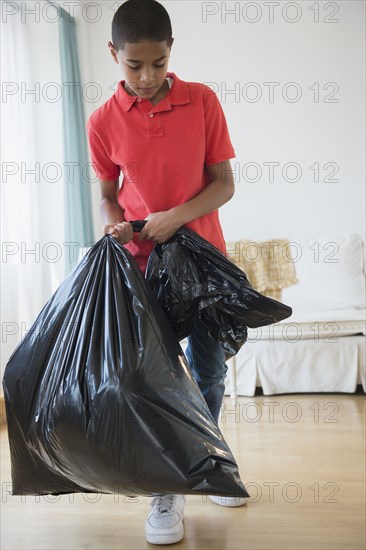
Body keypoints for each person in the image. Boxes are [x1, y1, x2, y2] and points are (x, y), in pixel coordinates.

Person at [86, 0, 246, 545]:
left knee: (210, 372)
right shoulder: (102, 122)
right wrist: (116, 226)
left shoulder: (202, 101)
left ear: (171, 49)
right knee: (150, 379)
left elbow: (223, 183)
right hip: (142, 268)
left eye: (158, 62)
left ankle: (210, 463)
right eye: (134, 66)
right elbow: (107, 195)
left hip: (203, 261)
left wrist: (175, 217)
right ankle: (168, 485)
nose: (148, 77)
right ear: (115, 54)